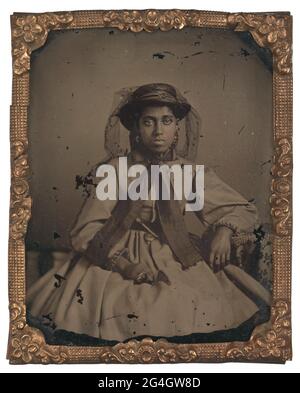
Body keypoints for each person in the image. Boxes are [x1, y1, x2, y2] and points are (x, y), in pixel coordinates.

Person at [27, 83, 270, 343]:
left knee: (193, 299)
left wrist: (224, 230)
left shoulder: (187, 173)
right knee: (124, 305)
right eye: (148, 122)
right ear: (135, 128)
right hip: (113, 251)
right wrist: (125, 265)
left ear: (177, 127)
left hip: (175, 250)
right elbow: (84, 231)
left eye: (166, 121)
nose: (158, 131)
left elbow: (240, 209)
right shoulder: (117, 170)